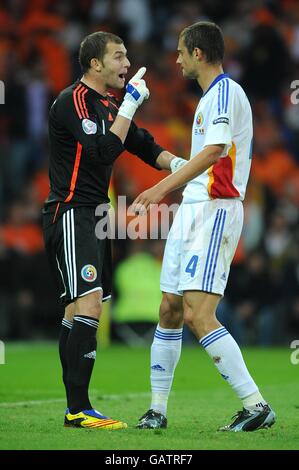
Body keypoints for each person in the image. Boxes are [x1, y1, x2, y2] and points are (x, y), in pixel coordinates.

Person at [133, 21, 276, 432]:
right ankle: (157, 410)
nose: (175, 59)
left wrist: (161, 187)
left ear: (198, 53)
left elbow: (215, 152)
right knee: (170, 309)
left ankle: (255, 404)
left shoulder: (226, 93)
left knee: (199, 314)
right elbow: (205, 157)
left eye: (181, 51)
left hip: (215, 211)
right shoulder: (210, 99)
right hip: (193, 210)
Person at [42, 31, 176, 430]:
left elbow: (140, 143)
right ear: (94, 64)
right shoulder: (74, 101)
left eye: (127, 56)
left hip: (96, 215)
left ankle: (74, 407)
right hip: (72, 212)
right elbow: (103, 151)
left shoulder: (108, 104)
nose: (126, 64)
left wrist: (182, 165)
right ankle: (79, 408)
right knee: (89, 304)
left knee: (75, 308)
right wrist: (131, 105)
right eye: (118, 57)